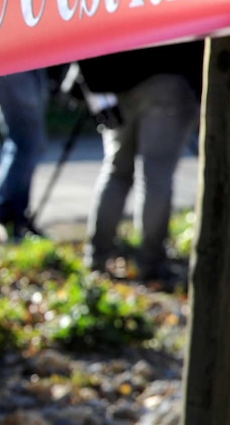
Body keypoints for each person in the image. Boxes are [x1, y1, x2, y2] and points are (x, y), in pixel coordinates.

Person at [78, 40, 203, 284]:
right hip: (168, 78)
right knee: (156, 176)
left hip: (116, 80)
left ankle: (97, 257)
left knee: (116, 171)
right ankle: (151, 263)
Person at [0, 69, 50, 240]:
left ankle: (13, 214)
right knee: (26, 144)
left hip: (26, 66)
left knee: (28, 145)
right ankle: (6, 214)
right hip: (11, 67)